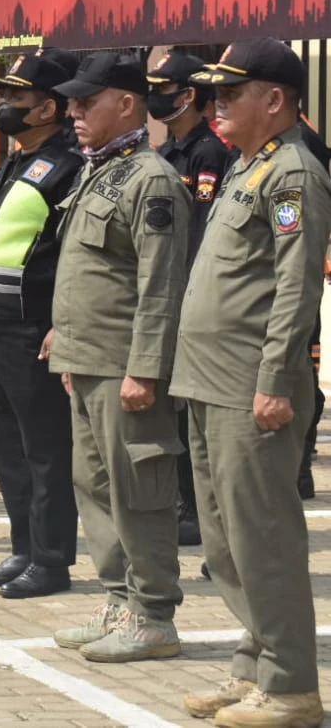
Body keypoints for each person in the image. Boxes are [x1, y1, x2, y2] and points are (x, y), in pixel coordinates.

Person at [174, 40, 330, 728]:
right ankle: (254, 666)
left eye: (230, 92)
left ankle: (291, 686)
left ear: (274, 99)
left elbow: (296, 285)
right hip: (208, 379)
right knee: (224, 541)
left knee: (262, 537)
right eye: (214, 92)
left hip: (249, 384)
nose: (217, 104)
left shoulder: (292, 173)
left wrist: (274, 380)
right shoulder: (248, 165)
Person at [47, 51, 190, 662]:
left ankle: (153, 614)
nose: (74, 112)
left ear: (127, 103)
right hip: (87, 358)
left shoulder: (152, 180)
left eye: (87, 102)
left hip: (124, 365)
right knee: (96, 486)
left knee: (139, 492)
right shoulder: (101, 170)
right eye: (73, 103)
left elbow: (161, 284)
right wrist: (62, 337)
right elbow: (89, 269)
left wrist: (145, 368)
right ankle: (119, 600)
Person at [0, 52, 82, 599]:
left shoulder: (67, 167)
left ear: (48, 108)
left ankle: (51, 560)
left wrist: (61, 322)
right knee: (7, 444)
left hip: (30, 327)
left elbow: (71, 257)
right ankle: (22, 547)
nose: (4, 105)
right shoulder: (15, 160)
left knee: (44, 447)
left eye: (16, 97)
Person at [147, 50, 235, 546]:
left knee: (190, 410)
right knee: (172, 407)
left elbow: (201, 231)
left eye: (165, 90)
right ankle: (183, 501)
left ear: (189, 96)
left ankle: (198, 509)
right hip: (166, 291)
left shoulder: (208, 154)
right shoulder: (167, 153)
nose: (156, 99)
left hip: (190, 294)